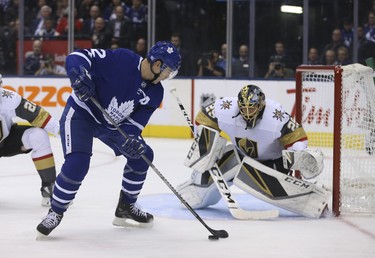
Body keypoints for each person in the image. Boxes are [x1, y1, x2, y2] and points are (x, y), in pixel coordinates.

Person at [36, 41, 181, 236]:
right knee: (78, 163)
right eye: (168, 71)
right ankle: (55, 212)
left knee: (143, 155)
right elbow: (77, 57)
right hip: (82, 113)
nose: (167, 76)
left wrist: (132, 140)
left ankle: (126, 207)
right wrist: (79, 73)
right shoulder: (122, 59)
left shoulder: (156, 92)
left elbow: (134, 126)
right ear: (157, 64)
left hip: (113, 126)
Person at [177, 85, 327, 218]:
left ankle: (310, 199)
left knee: (246, 171)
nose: (247, 113)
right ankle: (194, 189)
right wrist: (205, 139)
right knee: (227, 167)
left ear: (261, 105)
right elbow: (204, 117)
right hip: (240, 156)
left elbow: (296, 136)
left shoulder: (275, 116)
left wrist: (298, 154)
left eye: (252, 108)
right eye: (244, 108)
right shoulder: (226, 108)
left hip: (273, 163)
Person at [0, 74, 59, 206]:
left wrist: (62, 131)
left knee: (38, 135)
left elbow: (39, 116)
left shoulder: (8, 98)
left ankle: (49, 188)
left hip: (6, 141)